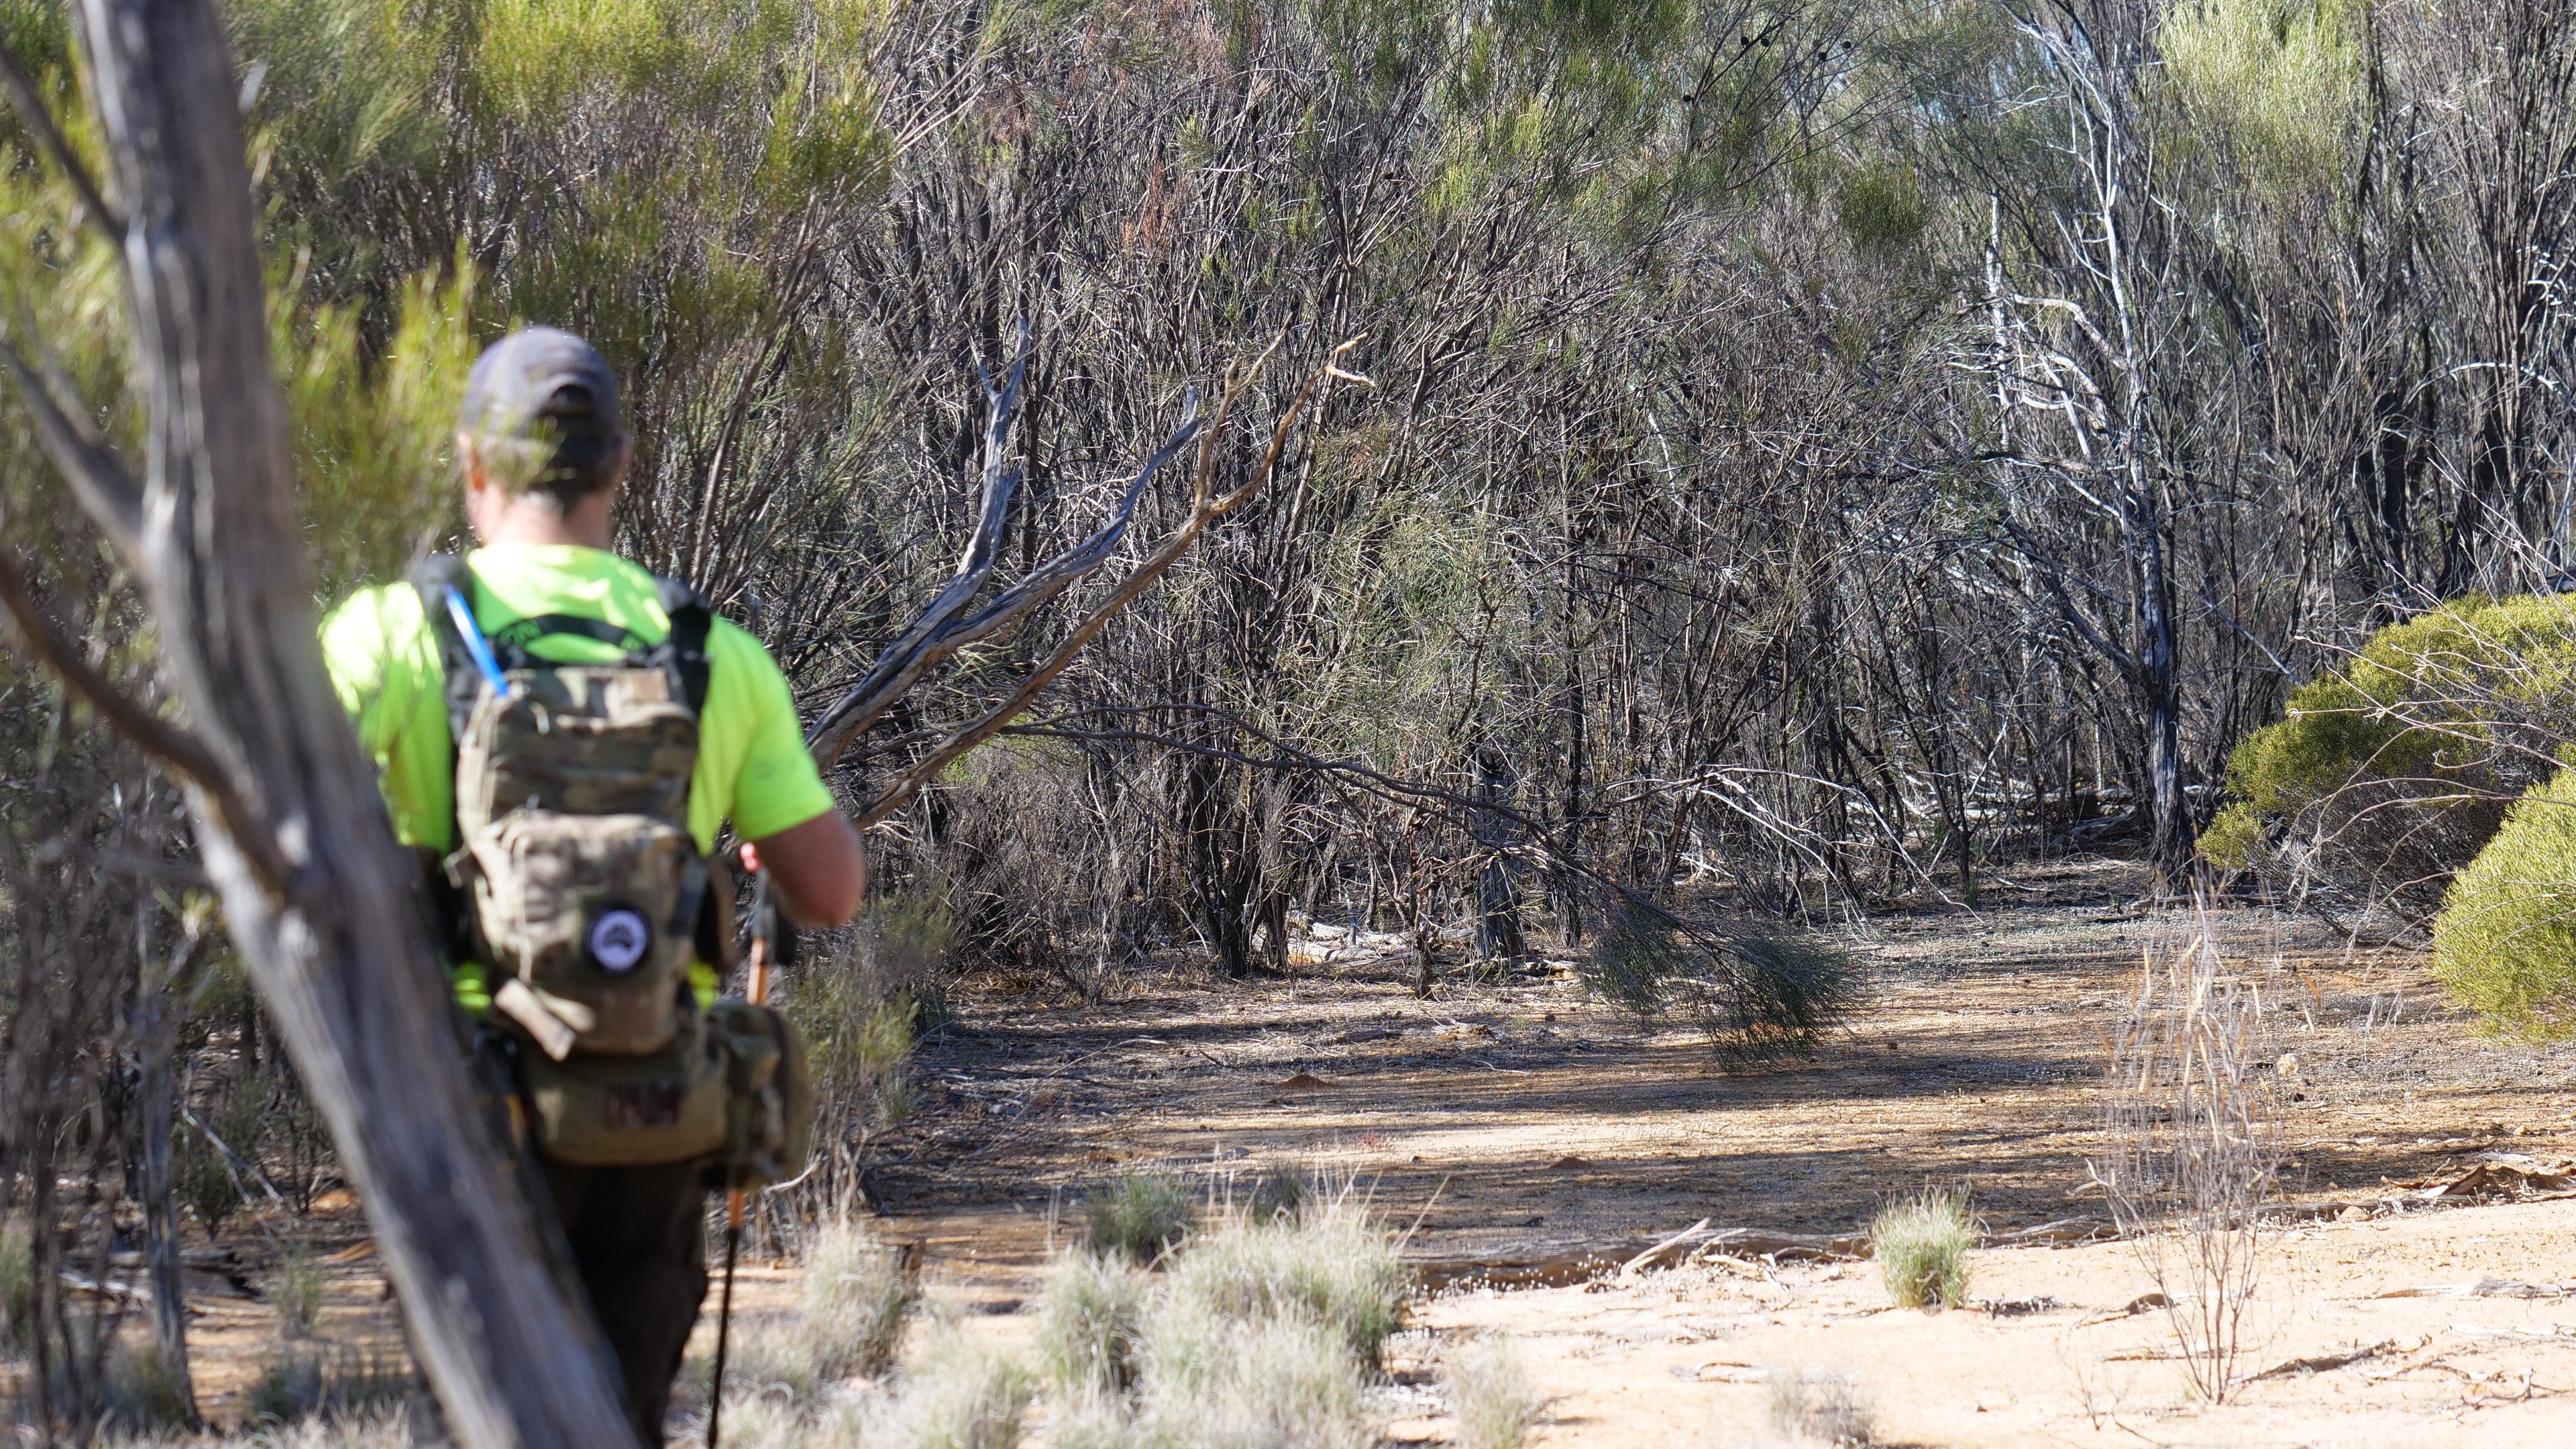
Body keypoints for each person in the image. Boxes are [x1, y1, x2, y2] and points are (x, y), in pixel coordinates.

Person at [321, 327, 864, 1445]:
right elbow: (832, 890)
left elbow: (268, 828)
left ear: (475, 465)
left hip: (468, 1118)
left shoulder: (387, 638)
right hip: (650, 1123)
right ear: (622, 465)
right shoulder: (711, 655)